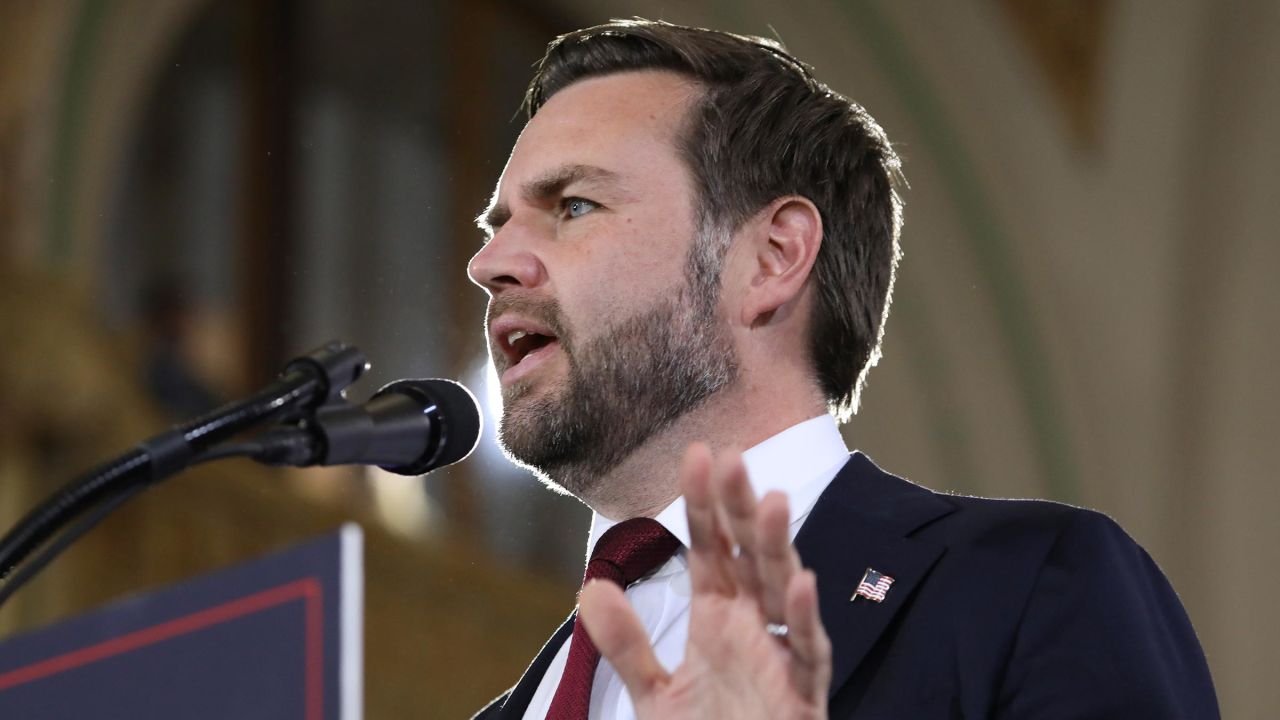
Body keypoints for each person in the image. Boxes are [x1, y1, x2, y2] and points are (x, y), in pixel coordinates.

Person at [466, 19, 1218, 720]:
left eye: (572, 205)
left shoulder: (1028, 589)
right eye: (495, 227)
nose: (488, 263)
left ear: (773, 258)